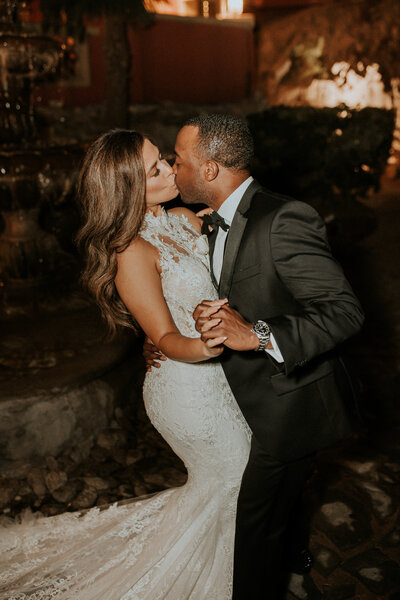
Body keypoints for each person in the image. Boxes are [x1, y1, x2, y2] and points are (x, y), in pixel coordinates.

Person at [0, 129, 251, 599]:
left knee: (233, 489)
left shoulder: (184, 219)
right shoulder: (131, 252)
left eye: (164, 159)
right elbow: (165, 336)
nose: (170, 169)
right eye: (154, 169)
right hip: (186, 391)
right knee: (233, 478)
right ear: (127, 190)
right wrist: (207, 345)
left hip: (223, 385)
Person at [146, 114, 364, 598]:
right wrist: (168, 331)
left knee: (255, 530)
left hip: (290, 403)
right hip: (237, 399)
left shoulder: (284, 218)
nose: (171, 168)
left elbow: (345, 312)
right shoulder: (202, 220)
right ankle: (293, 552)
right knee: (278, 509)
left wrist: (260, 335)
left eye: (178, 160)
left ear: (208, 171)